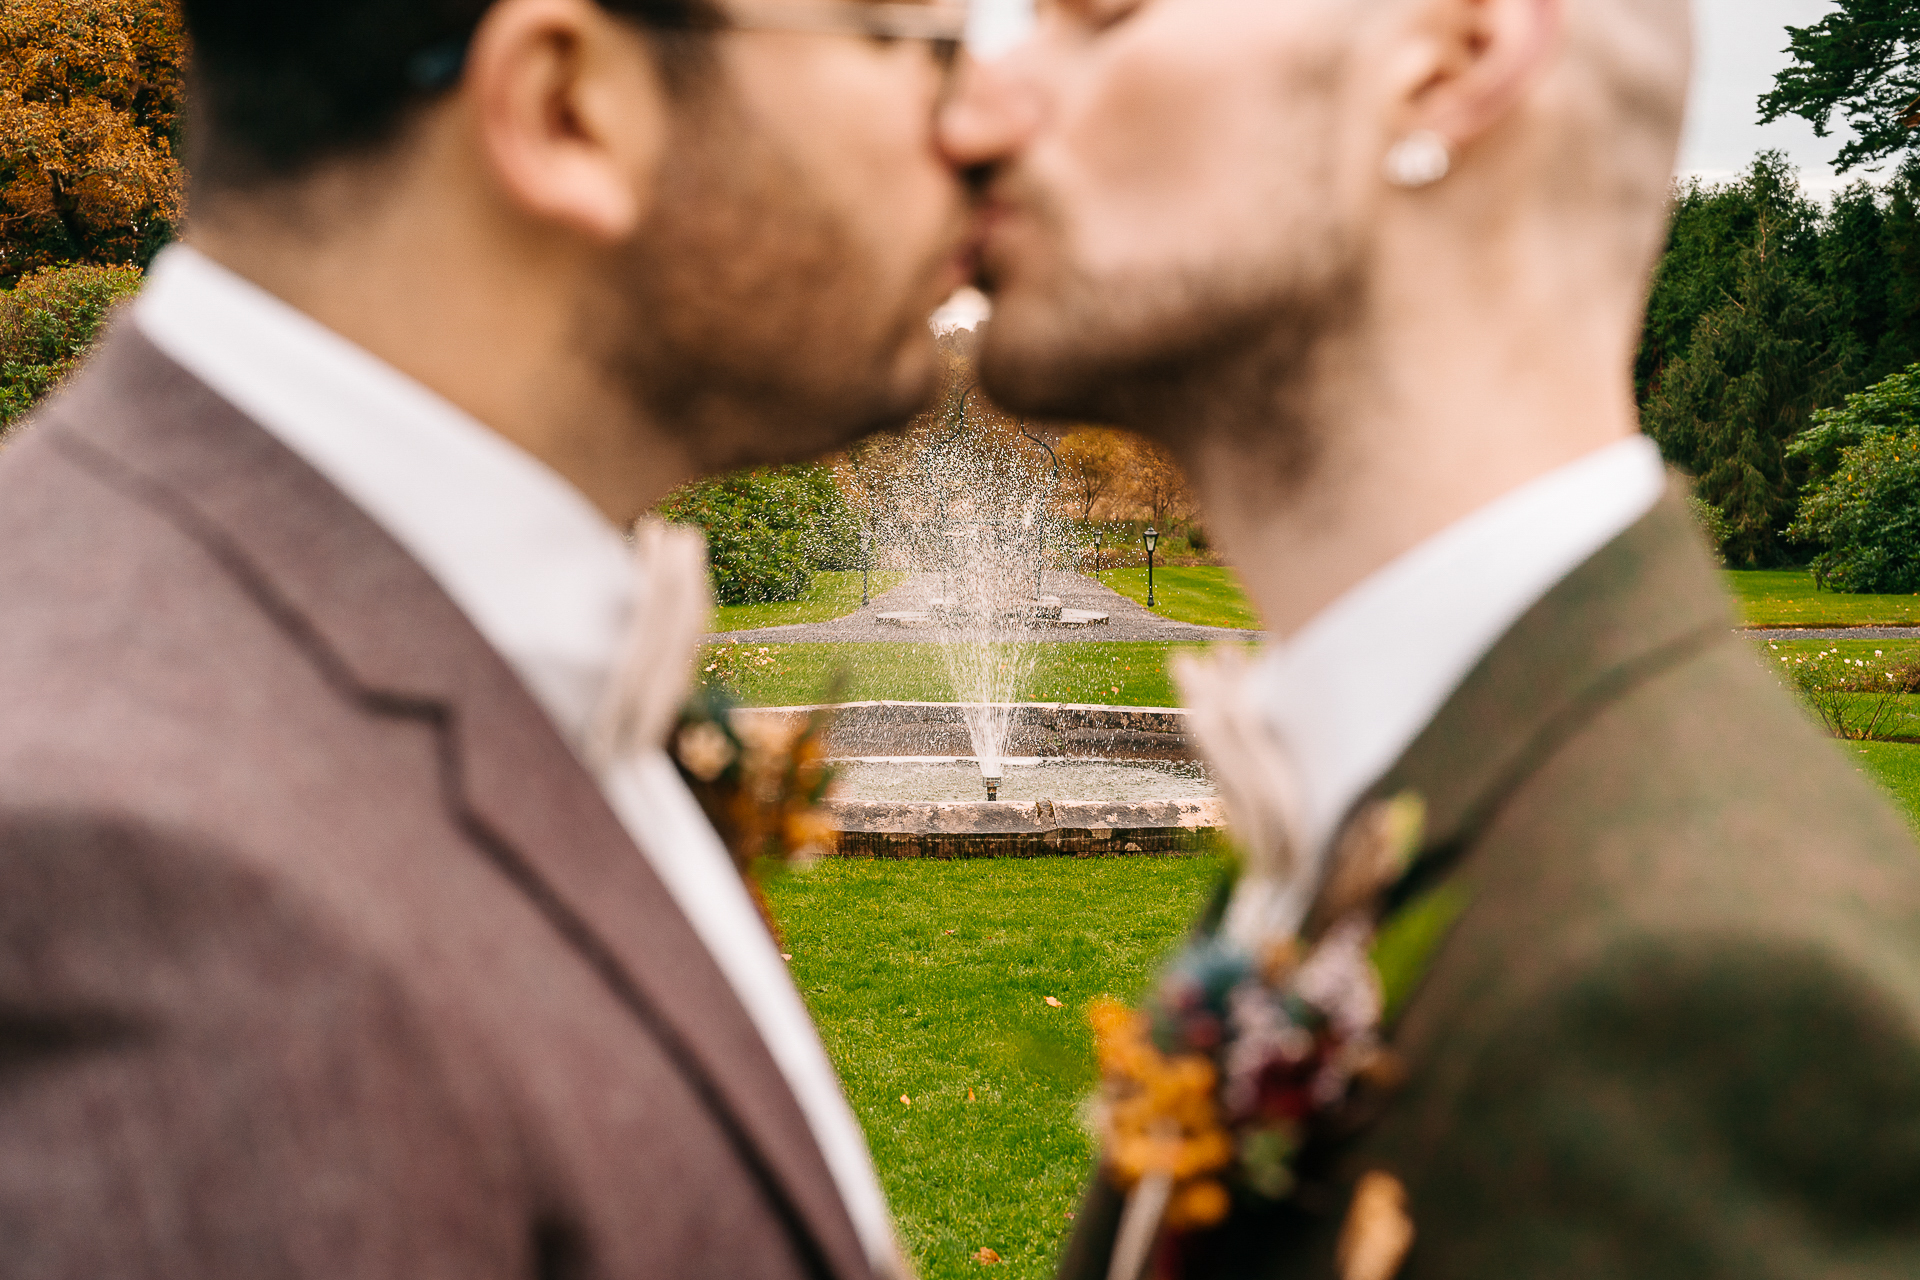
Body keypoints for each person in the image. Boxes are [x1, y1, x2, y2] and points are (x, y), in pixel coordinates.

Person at [940, 0, 1920, 1275]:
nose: (972, 109)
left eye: (1098, 16)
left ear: (1453, 60)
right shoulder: (1405, 801)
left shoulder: (1703, 988)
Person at [0, 0, 972, 1275]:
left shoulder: (369, 638)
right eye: (915, 40)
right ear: (567, 105)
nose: (985, 119)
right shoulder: (152, 889)